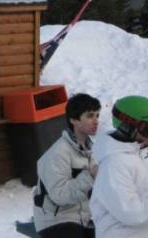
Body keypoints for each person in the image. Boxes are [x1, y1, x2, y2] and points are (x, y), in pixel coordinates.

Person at [33, 93, 101, 237]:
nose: (96, 121)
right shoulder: (58, 153)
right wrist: (90, 176)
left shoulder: (91, 151)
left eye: (97, 115)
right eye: (90, 116)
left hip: (82, 219)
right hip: (56, 221)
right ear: (73, 120)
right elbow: (60, 195)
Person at [90, 95, 148, 238]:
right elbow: (133, 214)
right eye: (147, 129)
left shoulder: (137, 153)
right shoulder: (113, 164)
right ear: (127, 127)